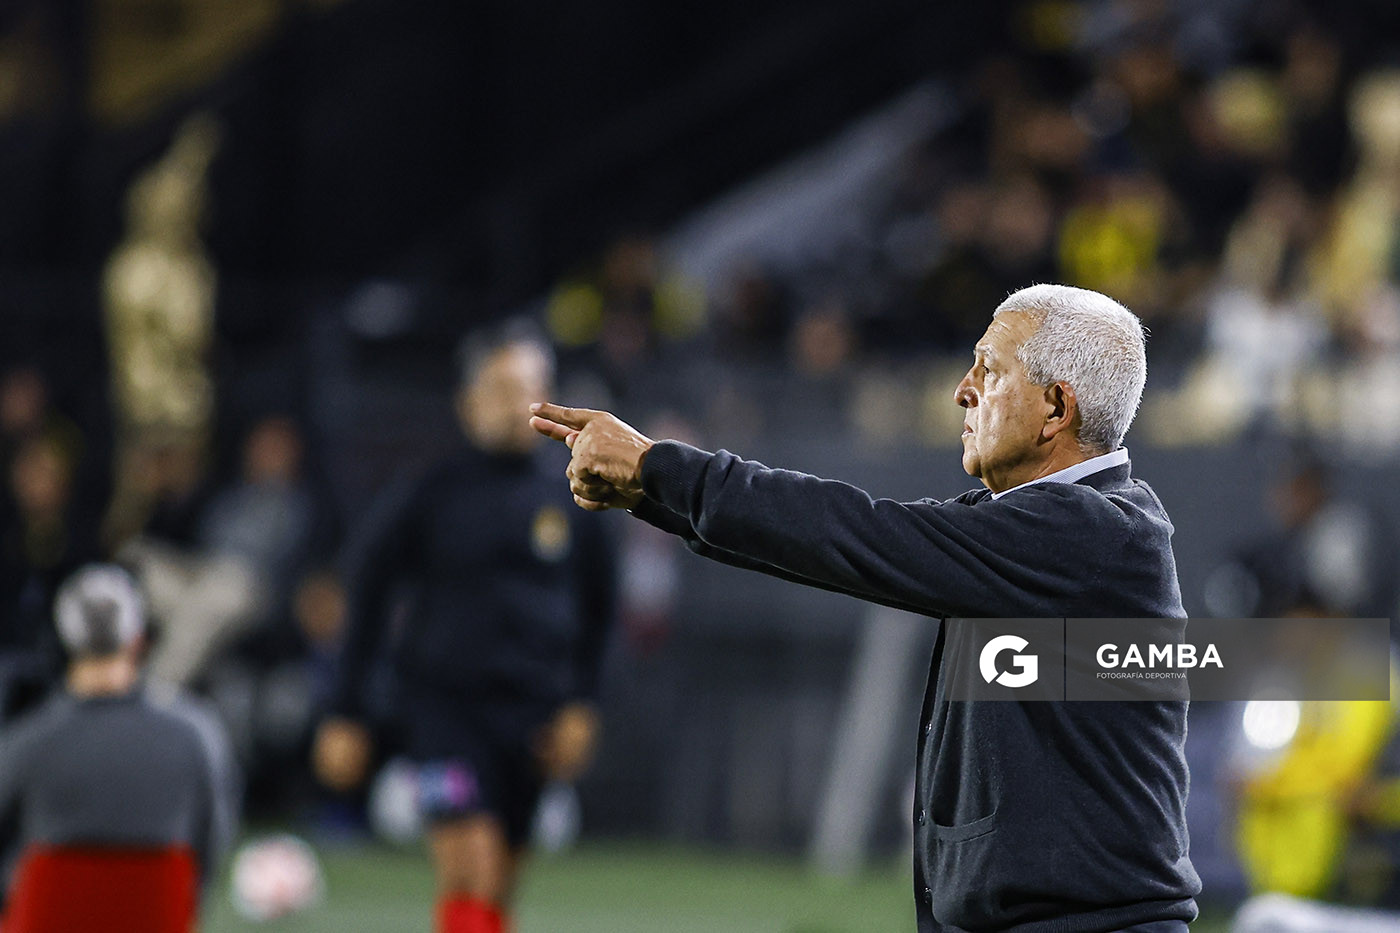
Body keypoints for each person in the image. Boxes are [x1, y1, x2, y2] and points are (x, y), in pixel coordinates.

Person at [530, 283, 1201, 933]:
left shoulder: (1090, 533)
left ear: (1056, 408)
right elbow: (822, 546)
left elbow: (850, 532)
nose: (961, 390)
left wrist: (657, 468)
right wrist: (651, 495)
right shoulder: (1049, 531)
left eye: (988, 370)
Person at [313, 320, 617, 933]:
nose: (515, 407)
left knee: (498, 886)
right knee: (470, 867)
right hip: (443, 714)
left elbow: (602, 609)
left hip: (534, 716)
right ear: (467, 401)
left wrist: (584, 703)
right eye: (501, 390)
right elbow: (367, 593)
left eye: (529, 391)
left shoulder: (576, 495)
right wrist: (345, 709)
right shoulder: (430, 492)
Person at [0, 564, 239, 904]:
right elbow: (209, 847)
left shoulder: (29, 742)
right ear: (137, 638)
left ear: (64, 638)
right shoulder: (192, 737)